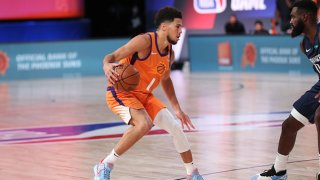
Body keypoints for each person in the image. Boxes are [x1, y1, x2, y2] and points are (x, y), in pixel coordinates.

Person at [93, 6, 204, 180]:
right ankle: (105, 164)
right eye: (177, 26)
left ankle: (193, 173)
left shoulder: (170, 55)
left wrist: (177, 109)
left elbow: (166, 80)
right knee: (144, 124)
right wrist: (106, 65)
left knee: (175, 127)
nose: (180, 31)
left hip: (145, 96)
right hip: (120, 93)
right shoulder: (144, 42)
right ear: (164, 27)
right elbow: (112, 56)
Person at [251, 1, 320, 180]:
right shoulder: (303, 44)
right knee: (288, 126)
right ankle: (279, 171)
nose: (290, 21)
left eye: (293, 17)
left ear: (305, 17)